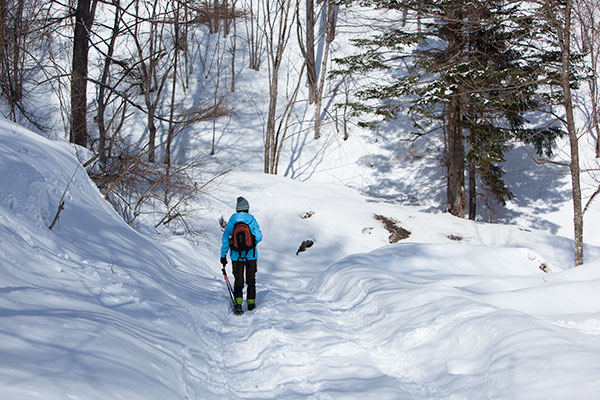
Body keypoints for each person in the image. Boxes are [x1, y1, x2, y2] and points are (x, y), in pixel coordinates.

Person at [220, 196, 263, 312]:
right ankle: (251, 303)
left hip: (236, 255)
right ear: (247, 209)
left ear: (237, 209)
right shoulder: (251, 220)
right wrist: (252, 242)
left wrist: (223, 256)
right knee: (251, 279)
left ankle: (238, 303)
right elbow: (259, 236)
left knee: (238, 279)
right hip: (251, 255)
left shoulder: (232, 221)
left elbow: (225, 240)